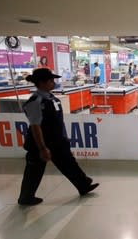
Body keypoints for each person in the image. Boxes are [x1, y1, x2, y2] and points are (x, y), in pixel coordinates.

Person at [18, 68, 98, 206]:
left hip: (57, 142)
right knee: (34, 171)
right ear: (42, 83)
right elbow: (35, 126)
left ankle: (83, 185)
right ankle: (26, 197)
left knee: (69, 163)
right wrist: (42, 148)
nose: (53, 83)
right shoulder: (35, 102)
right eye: (50, 80)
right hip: (41, 144)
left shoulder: (51, 98)